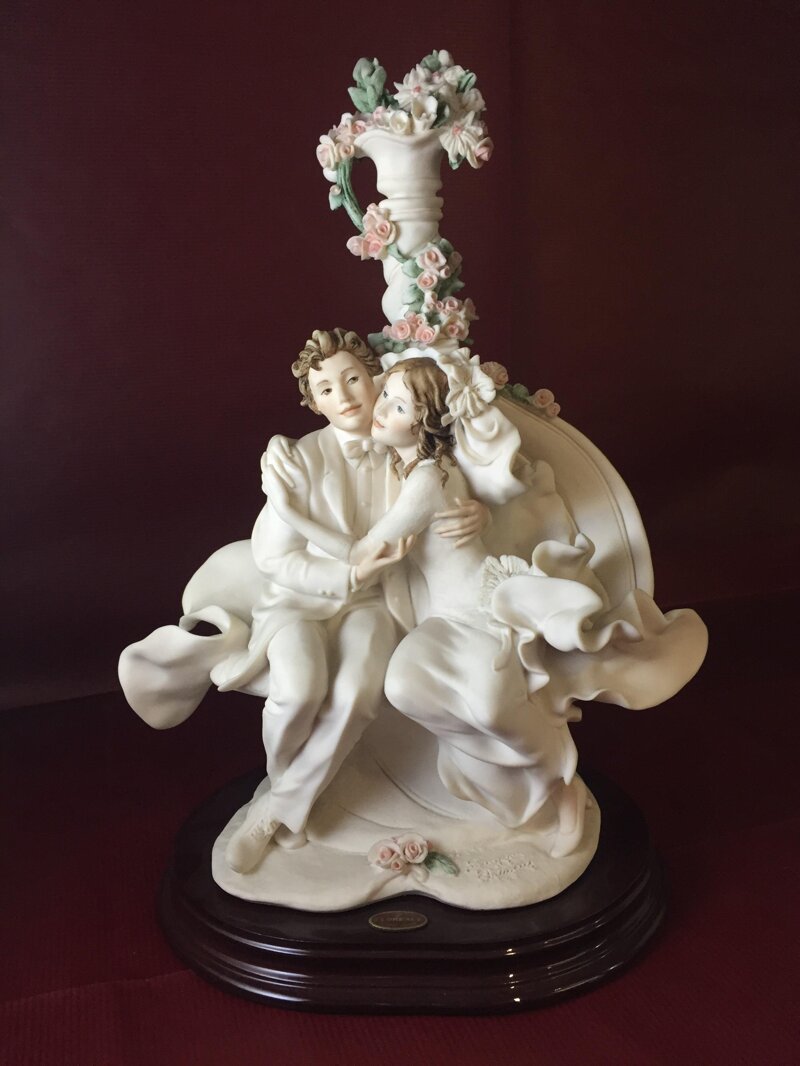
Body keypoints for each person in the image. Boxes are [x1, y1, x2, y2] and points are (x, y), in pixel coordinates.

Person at [264, 355, 587, 855]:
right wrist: (277, 447)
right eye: (385, 397)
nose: (377, 410)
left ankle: (562, 784)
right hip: (441, 615)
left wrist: (289, 509)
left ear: (422, 422)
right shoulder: (405, 463)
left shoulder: (427, 480)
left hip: (478, 609)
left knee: (490, 708)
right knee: (405, 687)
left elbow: (362, 551)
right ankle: (489, 769)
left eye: (396, 406)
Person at [224, 331, 488, 872]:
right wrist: (342, 575)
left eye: (352, 379)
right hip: (301, 599)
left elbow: (449, 484)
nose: (343, 396)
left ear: (376, 379)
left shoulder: (405, 438)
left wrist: (479, 512)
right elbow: (273, 556)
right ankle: (285, 787)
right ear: (313, 402)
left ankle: (275, 813)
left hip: (374, 600)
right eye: (326, 389)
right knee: (299, 691)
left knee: (356, 692)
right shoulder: (297, 458)